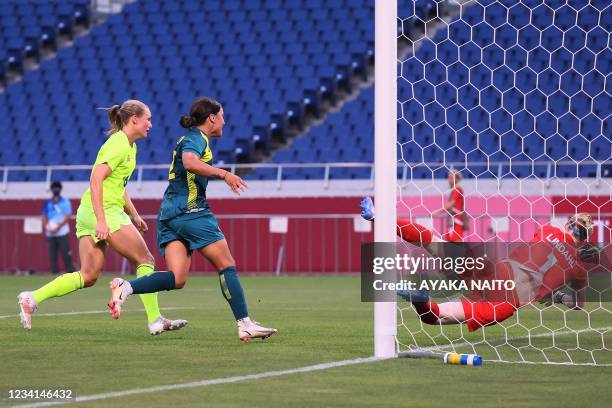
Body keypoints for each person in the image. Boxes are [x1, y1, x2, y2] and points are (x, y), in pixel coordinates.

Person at [107, 96, 278, 342]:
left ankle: (127, 287)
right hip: (191, 211)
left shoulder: (187, 139)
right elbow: (189, 162)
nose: (224, 121)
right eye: (221, 116)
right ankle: (245, 324)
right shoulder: (197, 139)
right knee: (226, 264)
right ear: (211, 118)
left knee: (177, 278)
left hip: (169, 214)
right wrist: (224, 174)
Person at [18, 100, 186, 335]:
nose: (151, 124)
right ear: (134, 119)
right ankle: (155, 319)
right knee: (145, 259)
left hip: (88, 211)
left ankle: (31, 299)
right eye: (148, 119)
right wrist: (102, 220)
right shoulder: (118, 144)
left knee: (88, 276)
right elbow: (96, 179)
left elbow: (118, 184)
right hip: (103, 211)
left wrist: (134, 215)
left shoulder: (130, 146)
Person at [360, 198, 596, 332]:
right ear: (585, 239)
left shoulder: (548, 230)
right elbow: (578, 304)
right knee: (437, 317)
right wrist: (558, 296)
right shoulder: (578, 267)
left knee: (433, 241)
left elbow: (543, 252)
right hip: (506, 300)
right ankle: (420, 300)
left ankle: (377, 216)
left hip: (495, 271)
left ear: (569, 224)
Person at [42, 181, 75, 275]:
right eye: (54, 188)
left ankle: (70, 272)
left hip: (62, 232)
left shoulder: (65, 202)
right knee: (52, 254)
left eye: (57, 188)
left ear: (60, 189)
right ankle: (54, 272)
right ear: (51, 189)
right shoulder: (47, 202)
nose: (56, 189)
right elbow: (44, 215)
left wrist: (58, 226)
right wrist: (46, 226)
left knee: (66, 252)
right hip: (50, 232)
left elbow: (68, 216)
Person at [430, 170, 466, 242]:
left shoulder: (457, 189)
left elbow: (450, 205)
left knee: (456, 246)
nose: (449, 180)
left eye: (451, 178)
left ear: (457, 179)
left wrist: (436, 212)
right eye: (448, 178)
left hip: (456, 221)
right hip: (453, 221)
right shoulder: (455, 190)